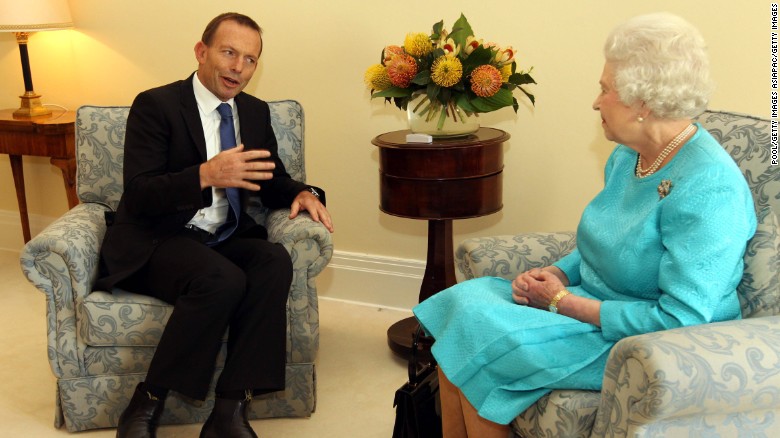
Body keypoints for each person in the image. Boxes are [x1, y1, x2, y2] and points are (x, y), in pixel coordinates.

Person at [413, 12, 756, 438]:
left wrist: (563, 303)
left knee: (478, 335)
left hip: (643, 340)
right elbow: (606, 241)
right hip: (590, 306)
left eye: (605, 89)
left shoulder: (709, 188)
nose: (596, 102)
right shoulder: (629, 155)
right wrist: (558, 273)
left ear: (643, 103)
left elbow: (682, 319)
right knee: (463, 304)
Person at [94, 12, 334, 438]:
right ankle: (148, 401)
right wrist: (205, 175)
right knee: (222, 279)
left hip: (220, 237)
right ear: (201, 52)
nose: (238, 67)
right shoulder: (156, 104)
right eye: (228, 52)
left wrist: (301, 192)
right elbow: (139, 192)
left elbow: (270, 177)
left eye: (250, 59)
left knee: (273, 261)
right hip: (158, 239)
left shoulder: (255, 113)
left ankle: (228, 411)